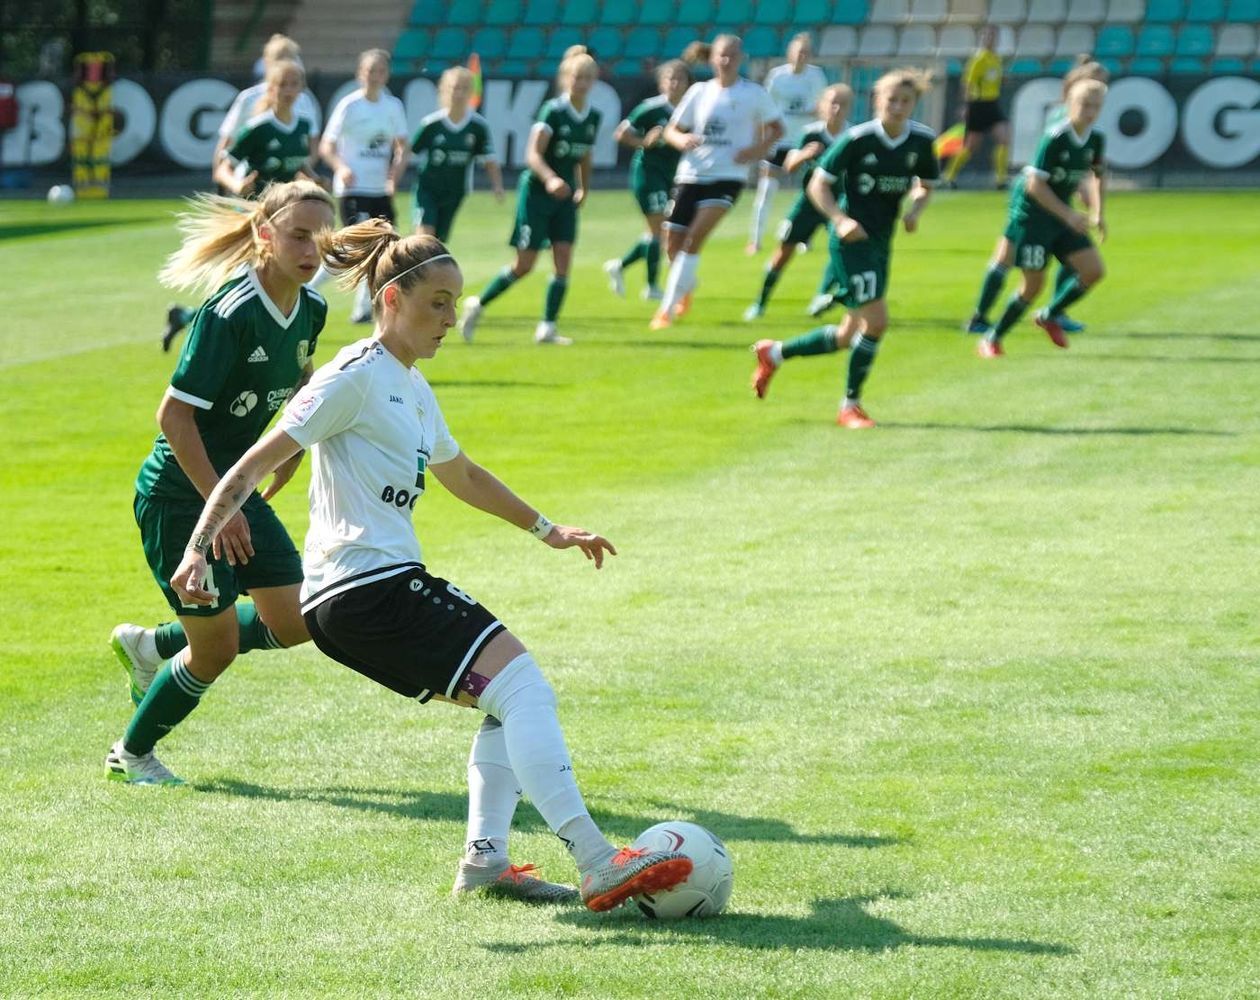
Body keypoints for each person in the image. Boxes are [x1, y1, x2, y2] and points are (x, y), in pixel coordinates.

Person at [165, 221, 696, 913]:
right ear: (392, 299)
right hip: (367, 589)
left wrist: (548, 530)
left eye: (455, 302)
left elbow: (463, 474)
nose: (450, 317)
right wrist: (198, 546)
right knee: (527, 689)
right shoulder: (353, 376)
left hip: (367, 595)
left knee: (510, 706)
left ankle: (486, 862)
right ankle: (597, 860)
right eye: (438, 302)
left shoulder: (410, 386)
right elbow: (252, 462)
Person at [106, 180, 334, 784]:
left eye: (321, 236)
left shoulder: (312, 309)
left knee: (296, 621)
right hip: (184, 496)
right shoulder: (229, 312)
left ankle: (151, 647)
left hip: (234, 490)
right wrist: (220, 507)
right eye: (299, 235)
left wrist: (292, 442)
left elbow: (302, 379)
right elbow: (172, 417)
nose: (313, 249)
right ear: (266, 235)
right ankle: (131, 756)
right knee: (216, 650)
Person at [749, 69, 938, 428]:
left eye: (905, 101)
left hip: (882, 241)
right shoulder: (857, 139)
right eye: (891, 100)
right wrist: (839, 220)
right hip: (851, 243)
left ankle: (773, 353)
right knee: (877, 321)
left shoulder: (921, 142)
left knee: (846, 335)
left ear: (915, 104)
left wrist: (914, 210)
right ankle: (849, 406)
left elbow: (925, 184)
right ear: (877, 102)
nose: (897, 107)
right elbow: (817, 185)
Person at [163, 58, 320, 352]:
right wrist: (237, 185)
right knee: (251, 287)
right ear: (271, 89)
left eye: (294, 84)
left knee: (264, 287)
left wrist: (312, 181)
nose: (288, 90)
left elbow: (298, 165)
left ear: (301, 89)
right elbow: (222, 166)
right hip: (256, 220)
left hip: (285, 223)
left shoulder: (302, 127)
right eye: (282, 84)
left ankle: (187, 318)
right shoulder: (258, 129)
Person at [459, 51, 599, 346]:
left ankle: (547, 327)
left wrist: (583, 187)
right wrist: (550, 179)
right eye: (577, 77)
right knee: (525, 264)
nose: (582, 83)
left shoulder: (592, 117)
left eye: (587, 78)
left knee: (563, 260)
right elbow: (532, 154)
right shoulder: (553, 111)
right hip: (537, 194)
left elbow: (585, 155)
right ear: (565, 79)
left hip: (565, 198)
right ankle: (478, 304)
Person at [964, 57, 1109, 336]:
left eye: (1102, 84)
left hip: (1055, 195)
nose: (1099, 88)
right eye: (1095, 81)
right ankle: (983, 317)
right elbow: (1050, 166)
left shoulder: (1090, 127)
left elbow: (1087, 165)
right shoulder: (1061, 121)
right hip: (1033, 197)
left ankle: (1054, 312)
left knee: (1067, 250)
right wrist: (1078, 192)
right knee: (1007, 256)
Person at [650, 35, 784, 330]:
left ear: (741, 58)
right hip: (691, 174)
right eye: (722, 55)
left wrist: (755, 151)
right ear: (712, 58)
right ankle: (685, 284)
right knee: (671, 244)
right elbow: (672, 130)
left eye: (733, 55)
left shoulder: (754, 93)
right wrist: (682, 139)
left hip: (728, 177)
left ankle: (665, 310)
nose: (727, 60)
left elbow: (777, 129)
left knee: (693, 238)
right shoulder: (699, 92)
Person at [743, 83, 852, 321]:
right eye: (832, 102)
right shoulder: (811, 133)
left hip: (838, 203)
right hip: (808, 202)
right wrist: (804, 154)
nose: (836, 108)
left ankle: (821, 296)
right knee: (783, 251)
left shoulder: (851, 136)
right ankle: (759, 303)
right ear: (822, 106)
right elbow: (789, 166)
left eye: (842, 104)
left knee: (842, 248)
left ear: (848, 109)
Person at [317, 48, 410, 324]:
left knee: (382, 246)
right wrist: (341, 168)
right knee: (351, 246)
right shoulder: (350, 105)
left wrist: (394, 175)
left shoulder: (393, 106)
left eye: (380, 71)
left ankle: (363, 309)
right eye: (370, 71)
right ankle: (308, 287)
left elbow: (403, 146)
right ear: (360, 74)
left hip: (379, 190)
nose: (375, 76)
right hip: (353, 189)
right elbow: (327, 145)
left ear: (387, 75)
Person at [603, 60, 691, 302]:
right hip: (648, 173)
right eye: (669, 78)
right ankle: (651, 286)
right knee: (659, 229)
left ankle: (620, 266)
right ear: (661, 83)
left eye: (679, 79)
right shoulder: (650, 109)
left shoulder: (690, 110)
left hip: (673, 176)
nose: (674, 83)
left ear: (687, 83)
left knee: (661, 231)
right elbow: (621, 133)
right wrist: (643, 142)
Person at [747, 33, 829, 255]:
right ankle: (755, 239)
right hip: (780, 141)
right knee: (766, 190)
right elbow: (765, 108)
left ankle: (803, 237)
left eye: (806, 52)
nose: (802, 56)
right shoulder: (777, 77)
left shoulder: (816, 76)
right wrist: (765, 140)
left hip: (804, 141)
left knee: (810, 189)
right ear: (790, 54)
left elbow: (822, 106)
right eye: (798, 52)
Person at [409, 66, 503, 245]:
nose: (458, 94)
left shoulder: (478, 126)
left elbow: (490, 159)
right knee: (424, 240)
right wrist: (392, 180)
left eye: (464, 88)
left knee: (437, 244)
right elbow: (407, 153)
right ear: (444, 90)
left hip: (455, 191)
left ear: (471, 93)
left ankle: (421, 269)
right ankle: (410, 267)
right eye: (454, 88)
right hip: (427, 189)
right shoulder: (431, 124)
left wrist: (497, 186)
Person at [940, 25, 1008, 190]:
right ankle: (948, 177)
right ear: (982, 39)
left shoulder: (996, 58)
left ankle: (1000, 180)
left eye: (992, 35)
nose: (989, 38)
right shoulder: (978, 59)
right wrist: (966, 106)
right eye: (986, 35)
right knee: (971, 146)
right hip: (978, 104)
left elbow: (994, 79)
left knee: (1004, 139)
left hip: (992, 104)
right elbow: (967, 84)